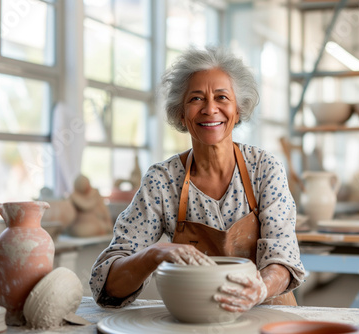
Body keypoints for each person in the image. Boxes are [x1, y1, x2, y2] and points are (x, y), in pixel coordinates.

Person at [90, 46, 305, 312]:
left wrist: (259, 288)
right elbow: (106, 284)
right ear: (181, 113)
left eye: (222, 97)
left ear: (238, 110)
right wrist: (155, 254)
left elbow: (283, 259)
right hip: (195, 317)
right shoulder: (163, 181)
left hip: (269, 313)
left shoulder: (263, 168)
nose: (210, 109)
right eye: (196, 99)